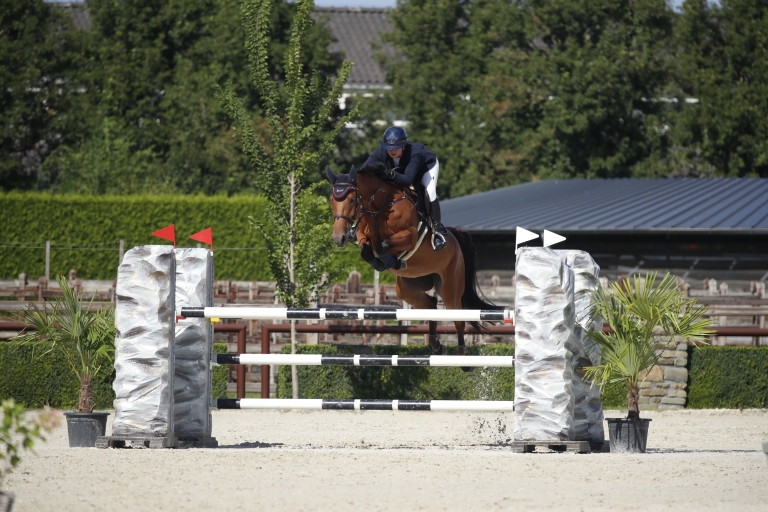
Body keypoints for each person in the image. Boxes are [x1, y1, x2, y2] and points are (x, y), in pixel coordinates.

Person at [362, 126, 447, 252]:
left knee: (430, 192)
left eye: (396, 148)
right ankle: (356, 226)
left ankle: (437, 233)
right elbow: (362, 171)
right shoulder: (380, 151)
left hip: (425, 168)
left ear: (404, 145)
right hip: (402, 171)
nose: (392, 151)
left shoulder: (415, 153)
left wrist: (389, 174)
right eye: (389, 148)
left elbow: (407, 180)